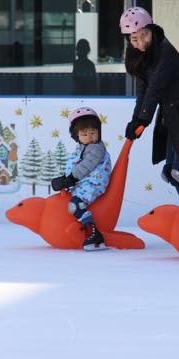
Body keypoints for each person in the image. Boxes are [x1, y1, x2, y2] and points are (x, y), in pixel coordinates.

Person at [120, 6, 179, 204]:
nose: (141, 43)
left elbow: (155, 89)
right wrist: (136, 119)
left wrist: (143, 119)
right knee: (171, 172)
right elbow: (143, 89)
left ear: (152, 30)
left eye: (144, 35)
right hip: (172, 114)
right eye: (134, 39)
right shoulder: (140, 55)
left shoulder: (164, 51)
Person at [51, 106, 112, 251]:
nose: (90, 137)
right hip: (85, 180)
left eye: (93, 132)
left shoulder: (97, 148)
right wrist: (65, 179)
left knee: (75, 204)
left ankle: (93, 232)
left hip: (95, 182)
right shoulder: (81, 148)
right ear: (76, 136)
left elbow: (86, 166)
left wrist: (69, 179)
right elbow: (76, 165)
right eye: (85, 134)